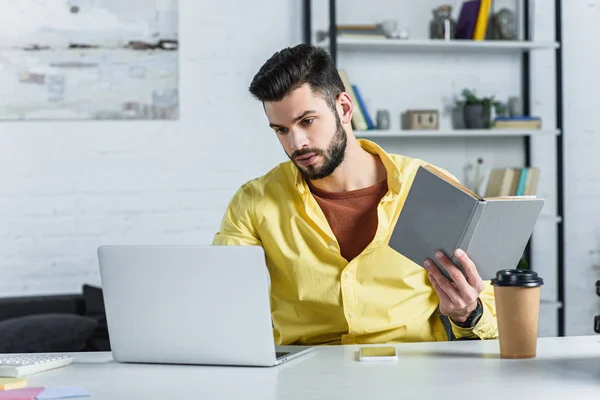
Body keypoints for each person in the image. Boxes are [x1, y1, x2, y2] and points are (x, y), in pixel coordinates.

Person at [213, 43, 498, 345]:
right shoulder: (254, 202)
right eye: (281, 130)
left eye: (306, 121)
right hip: (307, 381)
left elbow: (491, 314)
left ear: (344, 108)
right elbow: (222, 300)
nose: (296, 143)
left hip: (413, 378)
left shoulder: (431, 187)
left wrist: (468, 313)